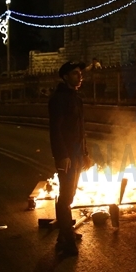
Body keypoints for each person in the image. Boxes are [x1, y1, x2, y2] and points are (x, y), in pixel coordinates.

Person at [49, 61, 89, 258]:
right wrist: (62, 155)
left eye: (80, 73)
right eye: (75, 74)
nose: (79, 76)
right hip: (67, 156)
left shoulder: (76, 98)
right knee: (65, 197)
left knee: (70, 196)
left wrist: (86, 154)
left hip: (78, 154)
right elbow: (55, 130)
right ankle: (68, 241)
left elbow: (81, 130)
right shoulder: (58, 99)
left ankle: (63, 236)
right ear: (65, 77)